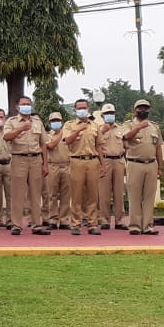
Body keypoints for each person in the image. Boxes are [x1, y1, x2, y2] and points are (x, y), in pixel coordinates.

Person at [2, 96, 50, 235]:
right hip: (19, 158)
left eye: (28, 104)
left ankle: (36, 224)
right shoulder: (11, 121)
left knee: (36, 194)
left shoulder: (37, 121)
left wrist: (45, 164)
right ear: (17, 107)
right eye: (23, 104)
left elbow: (43, 144)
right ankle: (16, 225)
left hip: (36, 159)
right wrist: (21, 128)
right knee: (17, 194)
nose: (26, 106)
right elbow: (6, 137)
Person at [121, 99, 164, 235]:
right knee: (134, 197)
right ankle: (135, 226)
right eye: (140, 108)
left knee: (149, 197)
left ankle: (148, 226)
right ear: (135, 110)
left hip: (151, 163)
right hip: (134, 163)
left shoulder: (154, 127)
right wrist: (139, 127)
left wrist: (160, 167)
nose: (143, 110)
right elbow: (126, 137)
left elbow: (158, 148)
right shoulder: (128, 124)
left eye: (146, 108)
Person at [62, 99, 102, 235]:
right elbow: (67, 141)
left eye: (84, 107)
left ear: (88, 108)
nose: (82, 110)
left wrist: (102, 164)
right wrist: (78, 130)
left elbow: (99, 146)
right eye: (79, 108)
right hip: (76, 160)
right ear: (74, 110)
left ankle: (92, 224)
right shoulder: (69, 125)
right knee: (77, 194)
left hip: (92, 161)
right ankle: (76, 224)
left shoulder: (95, 125)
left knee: (93, 195)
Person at [97, 103, 127, 230]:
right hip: (105, 161)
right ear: (102, 115)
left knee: (119, 192)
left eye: (112, 113)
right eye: (107, 114)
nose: (110, 116)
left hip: (119, 160)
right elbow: (94, 145)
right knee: (104, 192)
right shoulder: (97, 130)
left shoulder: (120, 129)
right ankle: (104, 219)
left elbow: (126, 146)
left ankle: (119, 220)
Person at [43, 112, 72, 231]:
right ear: (50, 123)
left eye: (58, 120)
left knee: (66, 195)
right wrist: (61, 135)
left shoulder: (68, 135)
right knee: (52, 194)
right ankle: (53, 219)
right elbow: (50, 145)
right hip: (52, 165)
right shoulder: (47, 135)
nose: (56, 122)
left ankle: (64, 219)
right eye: (53, 120)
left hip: (66, 165)